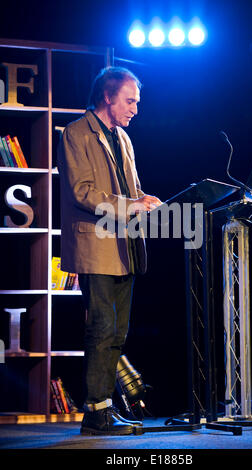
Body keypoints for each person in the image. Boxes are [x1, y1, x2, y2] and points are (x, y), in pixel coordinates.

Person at [57, 66, 162, 435]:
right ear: (108, 97)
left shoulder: (123, 138)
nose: (136, 108)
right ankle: (96, 412)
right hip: (96, 245)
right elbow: (81, 191)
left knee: (118, 331)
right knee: (101, 327)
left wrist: (141, 199)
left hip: (125, 246)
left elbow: (127, 189)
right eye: (130, 101)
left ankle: (104, 407)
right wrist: (128, 205)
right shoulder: (75, 133)